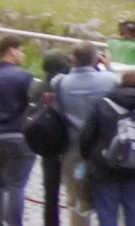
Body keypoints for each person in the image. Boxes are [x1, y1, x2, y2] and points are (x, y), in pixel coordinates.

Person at [74, 72, 135, 226]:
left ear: (120, 85)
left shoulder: (103, 104)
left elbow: (86, 137)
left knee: (107, 213)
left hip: (105, 169)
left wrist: (89, 159)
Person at [52, 47, 117, 226]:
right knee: (108, 202)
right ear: (96, 60)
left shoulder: (60, 83)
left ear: (73, 60)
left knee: (78, 204)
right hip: (103, 152)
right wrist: (108, 66)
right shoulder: (109, 79)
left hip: (74, 152)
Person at [29, 50, 69, 226]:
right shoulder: (69, 85)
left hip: (48, 146)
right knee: (78, 193)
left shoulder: (36, 88)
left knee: (50, 193)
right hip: (70, 145)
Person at [0, 36, 36, 226]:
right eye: (21, 50)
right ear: (11, 50)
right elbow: (33, 106)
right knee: (16, 186)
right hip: (17, 136)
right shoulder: (24, 77)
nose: (22, 54)